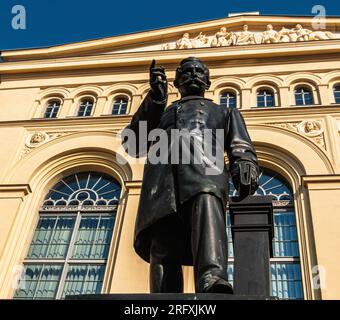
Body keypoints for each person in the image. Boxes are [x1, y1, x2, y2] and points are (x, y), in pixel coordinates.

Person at [122, 57, 259, 293]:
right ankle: (164, 294)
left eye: (199, 71)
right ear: (176, 80)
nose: (193, 74)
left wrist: (245, 164)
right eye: (187, 71)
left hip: (206, 173)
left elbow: (240, 145)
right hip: (162, 184)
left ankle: (212, 277)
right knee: (163, 240)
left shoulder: (224, 111)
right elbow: (133, 143)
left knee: (207, 220)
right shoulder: (160, 111)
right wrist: (155, 99)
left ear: (207, 80)